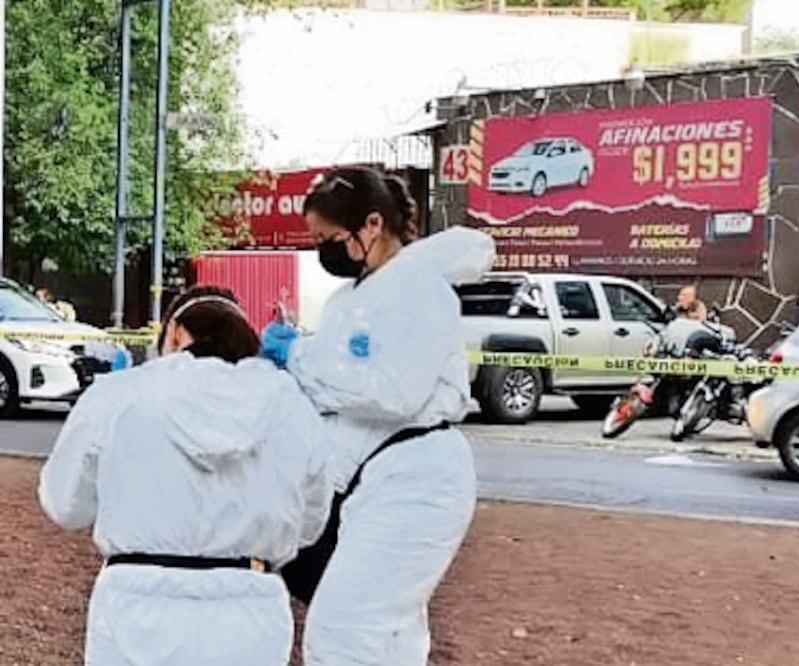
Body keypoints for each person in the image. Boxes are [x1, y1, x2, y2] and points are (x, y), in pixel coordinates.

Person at [259, 167, 495, 665]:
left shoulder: (420, 292)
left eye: (329, 239)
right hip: (374, 481)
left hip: (418, 478)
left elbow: (395, 393)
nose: (324, 251)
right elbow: (338, 396)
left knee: (346, 630)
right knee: (382, 637)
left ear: (371, 225)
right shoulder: (352, 300)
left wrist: (300, 357)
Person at [38, 285, 331, 666]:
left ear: (174, 331)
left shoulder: (119, 394)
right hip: (250, 612)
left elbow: (65, 505)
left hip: (135, 611)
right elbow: (311, 521)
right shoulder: (289, 404)